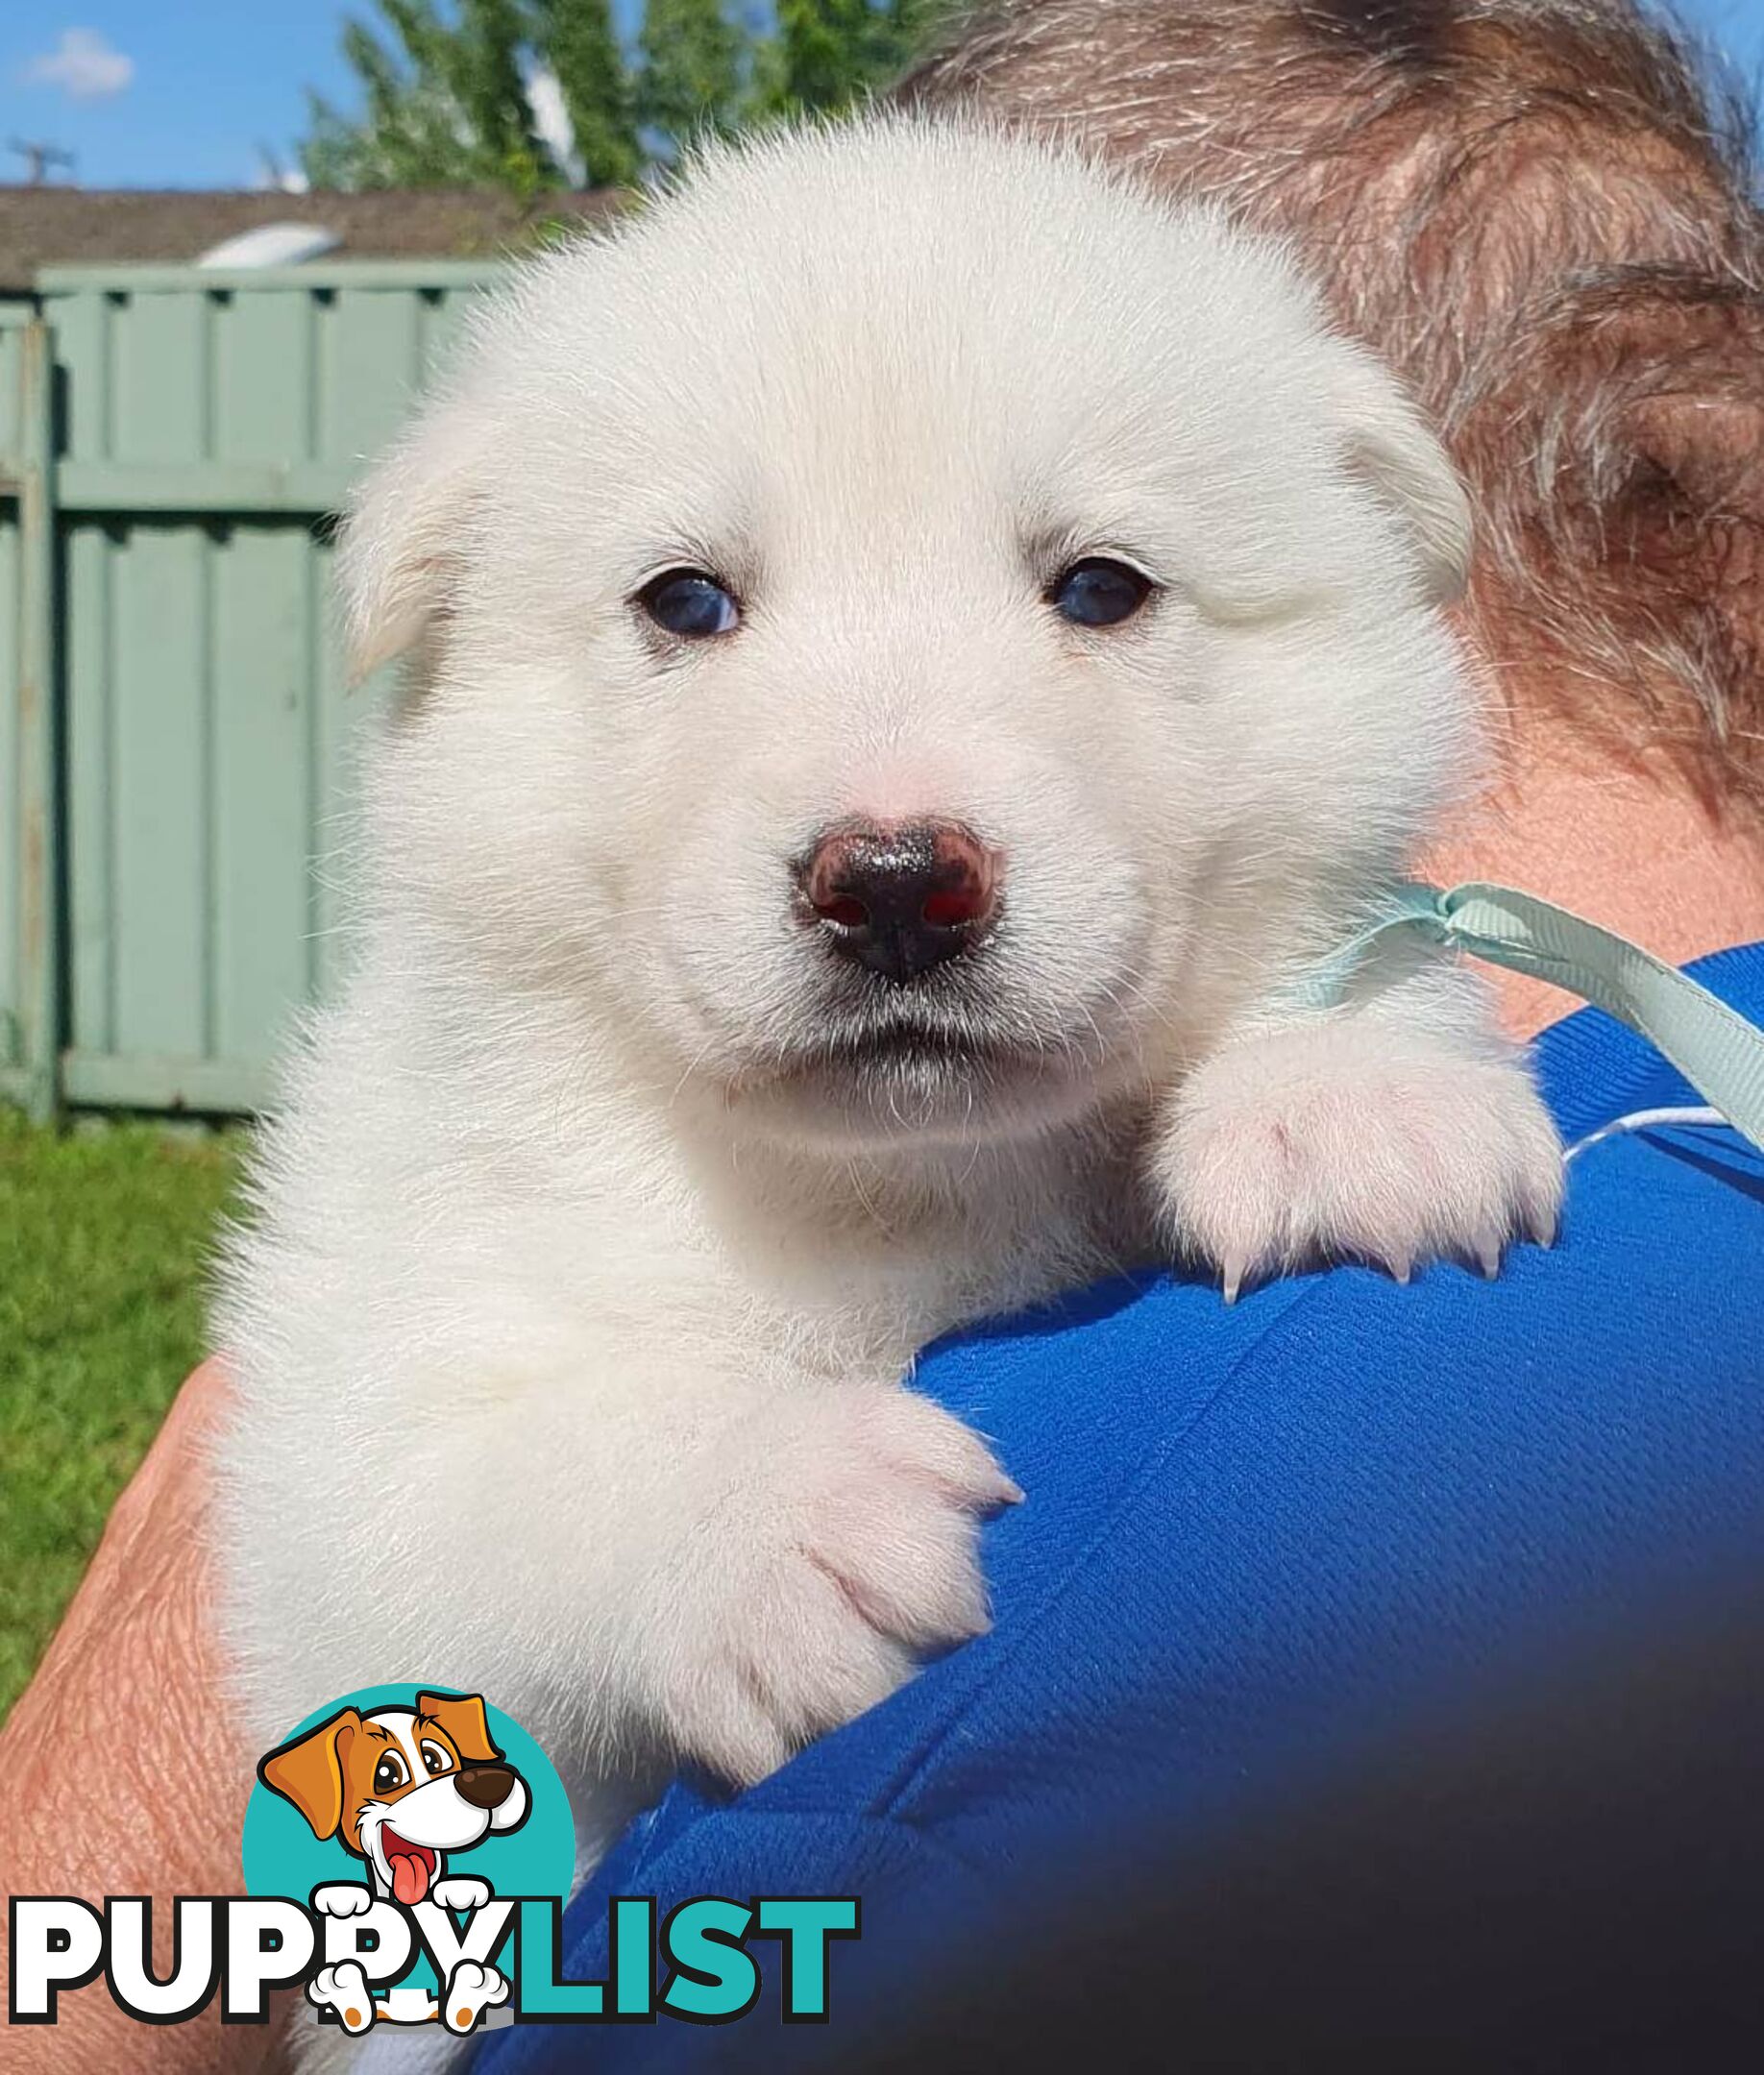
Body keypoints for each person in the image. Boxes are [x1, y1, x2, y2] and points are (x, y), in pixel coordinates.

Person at [2, 1, 1760, 2068]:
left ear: (1380, 577)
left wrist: (1343, 1044)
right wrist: (667, 1511)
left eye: (1097, 587)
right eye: (688, 601)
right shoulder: (510, 1146)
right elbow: (373, 1558)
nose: (897, 838)